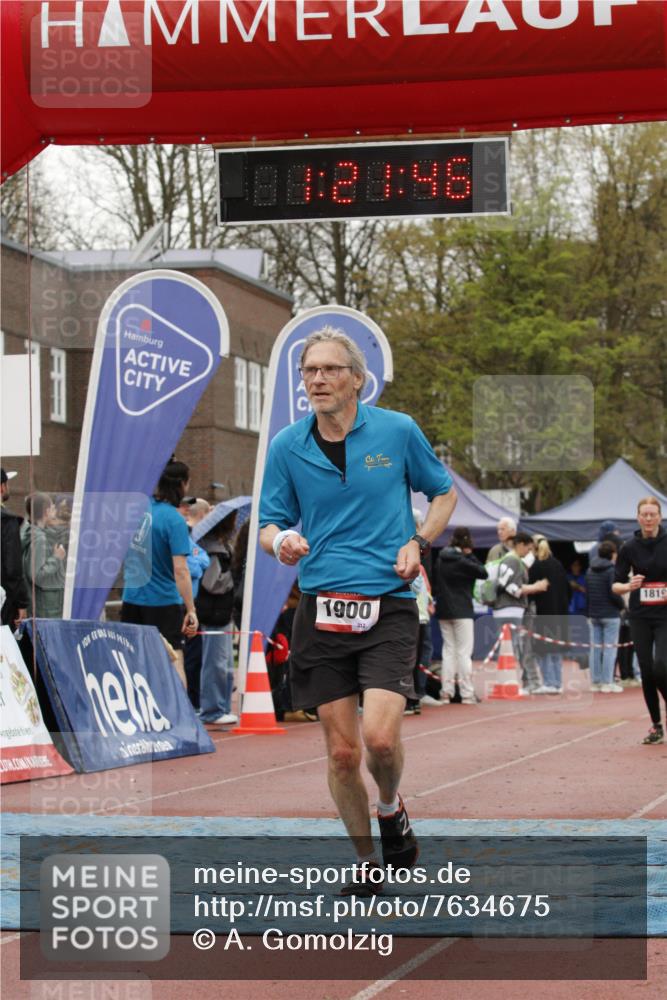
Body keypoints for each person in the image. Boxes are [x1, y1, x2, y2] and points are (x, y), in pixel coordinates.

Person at [259, 325, 457, 892]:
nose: (317, 379)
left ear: (357, 379)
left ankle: (391, 806)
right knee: (343, 754)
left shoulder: (397, 432)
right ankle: (368, 863)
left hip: (389, 604)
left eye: (329, 369)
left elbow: (443, 492)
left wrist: (418, 542)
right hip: (321, 609)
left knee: (379, 741)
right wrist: (282, 542)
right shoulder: (286, 447)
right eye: (309, 371)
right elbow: (270, 523)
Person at [121, 460, 198, 686]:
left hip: (132, 599)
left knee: (134, 664)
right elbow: (181, 569)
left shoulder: (137, 513)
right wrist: (191, 608)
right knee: (174, 660)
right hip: (163, 602)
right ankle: (180, 717)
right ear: (182, 484)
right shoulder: (174, 520)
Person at [613, 496, 667, 745]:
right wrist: (627, 586)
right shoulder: (628, 547)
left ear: (659, 516)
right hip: (640, 615)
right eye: (644, 514)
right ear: (638, 517)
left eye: (652, 514)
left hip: (665, 615)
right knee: (646, 671)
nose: (648, 518)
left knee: (661, 666)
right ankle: (656, 725)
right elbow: (615, 585)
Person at [435, 526, 487, 704]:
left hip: (443, 610)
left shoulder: (440, 559)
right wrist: (470, 554)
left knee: (448, 652)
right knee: (464, 653)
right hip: (462, 610)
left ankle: (446, 692)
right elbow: (483, 572)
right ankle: (466, 693)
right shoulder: (463, 560)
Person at [493, 531, 549, 694]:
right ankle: (512, 683)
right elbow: (511, 588)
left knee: (511, 648)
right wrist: (535, 587)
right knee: (513, 648)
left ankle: (514, 682)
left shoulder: (511, 560)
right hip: (510, 609)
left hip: (508, 609)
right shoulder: (513, 560)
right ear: (520, 545)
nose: (529, 553)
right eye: (528, 549)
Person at [196, 511, 238, 725]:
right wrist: (231, 576)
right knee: (216, 662)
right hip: (215, 612)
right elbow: (211, 583)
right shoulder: (214, 551)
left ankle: (222, 706)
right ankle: (213, 709)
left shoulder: (220, 548)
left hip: (222, 611)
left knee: (225, 662)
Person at [179, 498, 211, 710]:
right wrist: (196, 562)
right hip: (180, 603)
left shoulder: (193, 539)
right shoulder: (183, 533)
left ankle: (193, 700)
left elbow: (203, 560)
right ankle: (188, 702)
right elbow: (192, 567)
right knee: (185, 656)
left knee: (192, 654)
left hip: (191, 602)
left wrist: (196, 562)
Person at [528, 536, 570, 694]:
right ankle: (557, 682)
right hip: (560, 613)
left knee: (543, 649)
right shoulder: (558, 564)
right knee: (556, 649)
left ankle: (548, 682)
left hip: (543, 612)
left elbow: (531, 593)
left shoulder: (536, 566)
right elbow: (568, 590)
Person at [586, 539, 625, 693]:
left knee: (595, 648)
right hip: (610, 614)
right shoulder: (611, 571)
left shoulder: (589, 570)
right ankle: (607, 682)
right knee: (609, 649)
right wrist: (622, 606)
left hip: (594, 614)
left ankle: (595, 681)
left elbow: (587, 593)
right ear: (612, 554)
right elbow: (614, 593)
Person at [21, 492, 66, 618]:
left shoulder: (31, 533)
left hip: (42, 606)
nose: (55, 511)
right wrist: (57, 558)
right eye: (52, 507)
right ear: (46, 511)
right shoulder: (39, 538)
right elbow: (37, 576)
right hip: (45, 609)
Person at [1, 468, 28, 628]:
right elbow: (12, 568)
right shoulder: (7, 522)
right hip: (4, 602)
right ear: (2, 487)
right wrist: (21, 602)